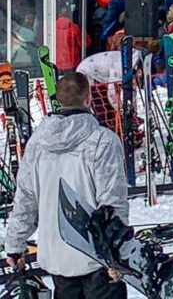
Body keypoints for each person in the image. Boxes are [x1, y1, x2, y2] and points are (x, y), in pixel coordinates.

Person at [4, 72, 127, 299]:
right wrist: (118, 253)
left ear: (58, 100)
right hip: (97, 259)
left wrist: (15, 244)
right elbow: (112, 201)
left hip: (58, 257)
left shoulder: (38, 143)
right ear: (88, 99)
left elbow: (25, 200)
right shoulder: (102, 140)